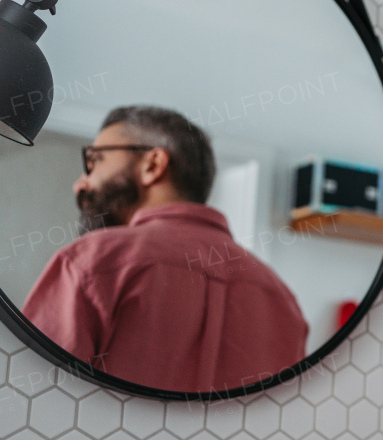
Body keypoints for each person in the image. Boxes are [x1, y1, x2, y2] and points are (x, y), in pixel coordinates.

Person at [23, 105, 308, 392]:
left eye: (95, 160)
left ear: (153, 165)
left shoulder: (89, 262)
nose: (80, 183)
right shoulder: (283, 300)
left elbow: (26, 396)